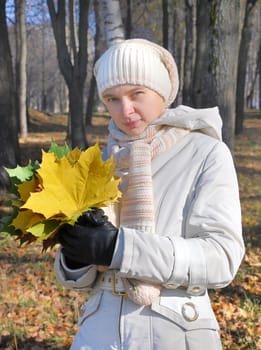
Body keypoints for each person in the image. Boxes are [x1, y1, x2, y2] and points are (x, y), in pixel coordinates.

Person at [55, 38, 245, 350]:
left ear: (162, 91)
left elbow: (222, 257)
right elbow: (77, 276)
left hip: (173, 334)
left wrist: (122, 249)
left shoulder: (206, 152)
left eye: (136, 94)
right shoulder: (100, 162)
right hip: (97, 335)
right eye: (112, 98)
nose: (125, 109)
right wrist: (75, 257)